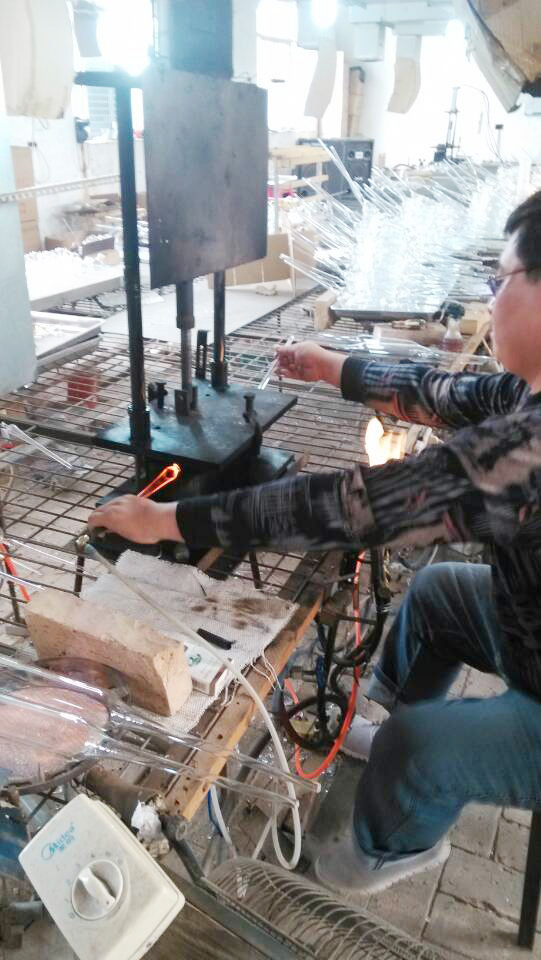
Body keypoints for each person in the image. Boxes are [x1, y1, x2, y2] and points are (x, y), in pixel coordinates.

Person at [89, 190, 541, 895]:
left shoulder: (529, 450)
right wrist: (334, 366)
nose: (490, 293)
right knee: (436, 592)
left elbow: (353, 509)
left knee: (418, 748)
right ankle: (374, 724)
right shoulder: (524, 394)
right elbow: (440, 393)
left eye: (500, 278)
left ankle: (375, 855)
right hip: (529, 627)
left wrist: (168, 521)